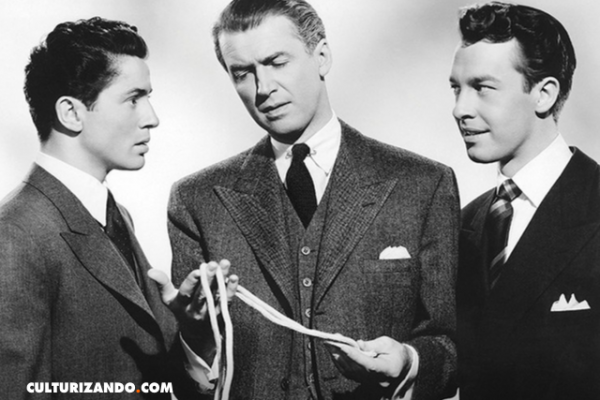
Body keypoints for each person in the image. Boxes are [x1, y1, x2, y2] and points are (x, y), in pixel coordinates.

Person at [166, 0, 459, 398]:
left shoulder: (423, 184)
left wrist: (408, 361)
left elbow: (451, 345)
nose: (263, 88)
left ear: (322, 57)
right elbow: (189, 381)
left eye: (276, 62)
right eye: (243, 73)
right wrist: (195, 334)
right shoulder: (197, 200)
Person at [0, 17, 200, 399]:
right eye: (133, 99)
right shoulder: (14, 235)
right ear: (71, 113)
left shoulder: (116, 215)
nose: (152, 118)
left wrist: (194, 332)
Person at [450, 3, 600, 399]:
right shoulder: (464, 223)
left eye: (482, 87)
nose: (460, 109)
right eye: (456, 88)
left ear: (544, 94)